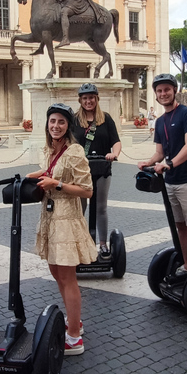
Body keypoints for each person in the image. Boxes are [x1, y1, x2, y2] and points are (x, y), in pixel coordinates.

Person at [27, 103, 96, 356]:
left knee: (68, 278)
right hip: (50, 217)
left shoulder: (75, 151)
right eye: (52, 121)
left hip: (66, 220)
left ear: (68, 126)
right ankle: (73, 321)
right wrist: (28, 177)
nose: (56, 126)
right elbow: (48, 170)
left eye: (61, 122)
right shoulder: (49, 149)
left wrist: (57, 184)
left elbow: (87, 190)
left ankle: (75, 337)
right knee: (56, 272)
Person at [137, 74, 187, 276]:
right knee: (181, 227)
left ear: (174, 90)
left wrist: (169, 164)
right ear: (156, 94)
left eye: (167, 89)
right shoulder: (160, 121)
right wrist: (149, 162)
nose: (163, 94)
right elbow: (159, 152)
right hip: (171, 181)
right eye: (159, 91)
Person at [72, 83, 121, 259]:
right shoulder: (74, 120)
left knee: (101, 207)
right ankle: (81, 242)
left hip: (102, 168)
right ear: (80, 100)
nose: (88, 101)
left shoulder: (105, 119)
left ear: (97, 99)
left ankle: (102, 244)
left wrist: (113, 153)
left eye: (91, 97)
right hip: (80, 171)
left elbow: (116, 140)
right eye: (85, 98)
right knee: (80, 207)